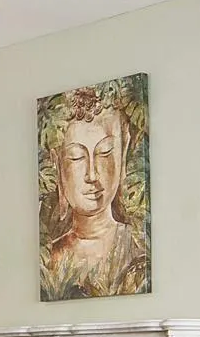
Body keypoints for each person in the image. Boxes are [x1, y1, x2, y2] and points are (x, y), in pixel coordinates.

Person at [40, 86, 150, 299]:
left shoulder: (138, 249)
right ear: (57, 163)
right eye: (76, 157)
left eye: (105, 152)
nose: (92, 174)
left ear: (123, 149)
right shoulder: (49, 261)